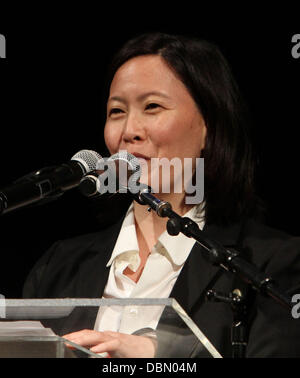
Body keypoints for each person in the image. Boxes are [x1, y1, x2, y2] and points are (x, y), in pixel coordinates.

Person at [23, 32, 300, 358]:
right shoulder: (59, 267)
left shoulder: (268, 263)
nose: (129, 131)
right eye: (116, 111)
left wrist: (164, 359)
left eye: (152, 106)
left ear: (208, 126)